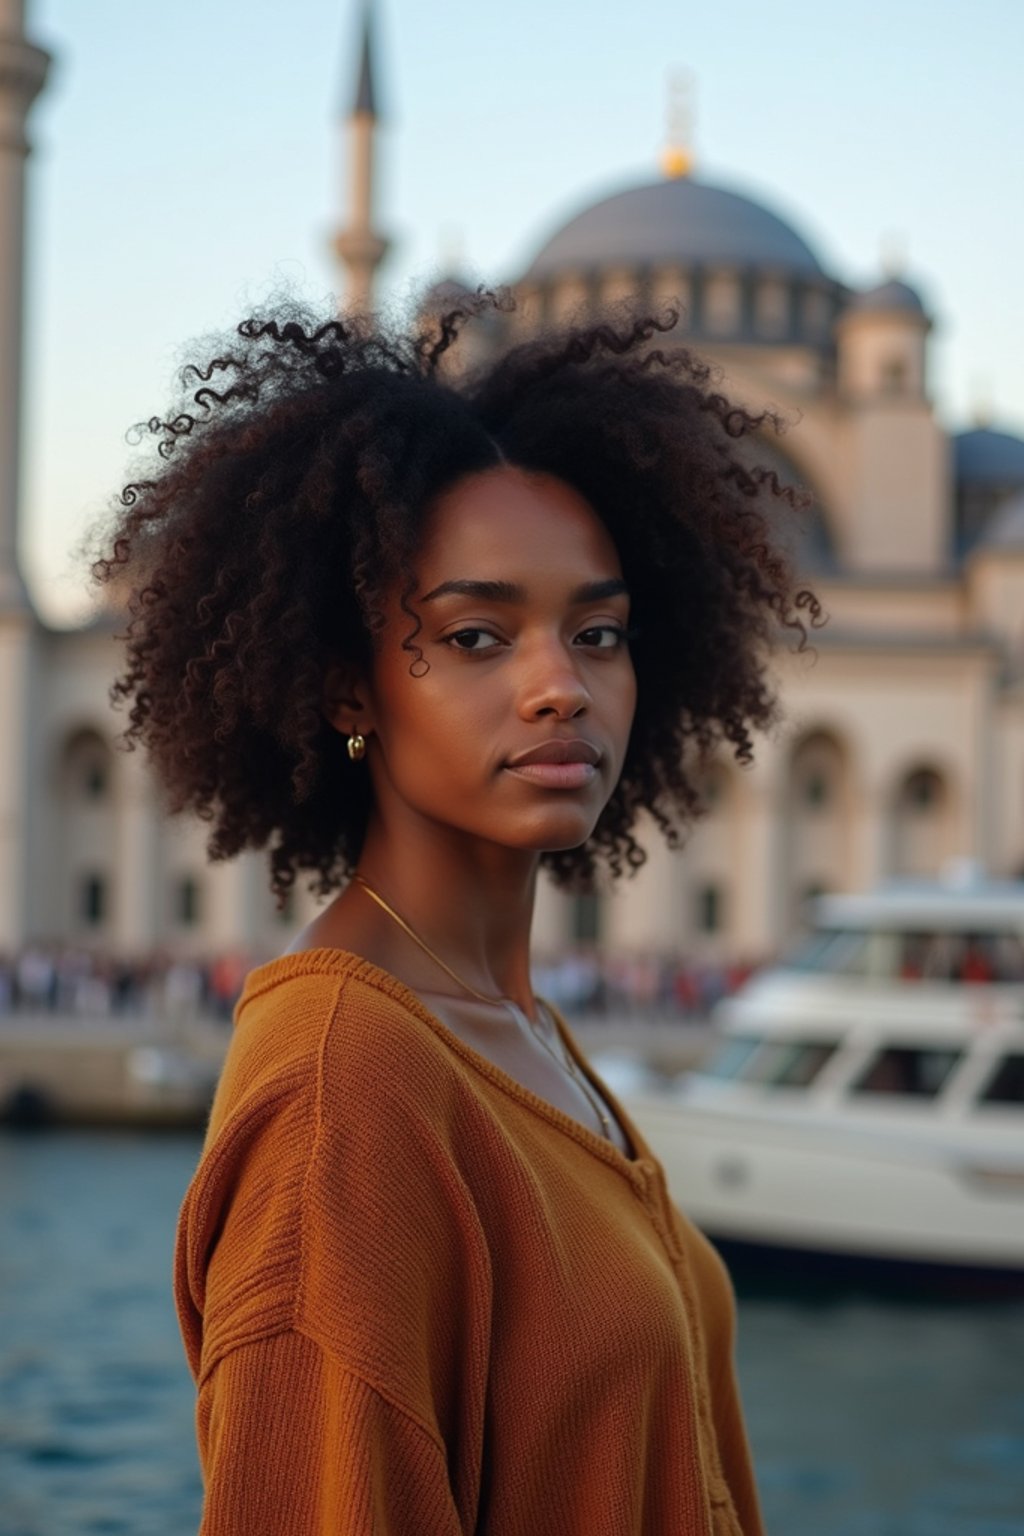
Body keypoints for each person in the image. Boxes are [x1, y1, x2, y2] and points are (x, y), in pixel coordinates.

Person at [94, 295, 820, 1534]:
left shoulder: (514, 1027)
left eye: (599, 632)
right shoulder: (346, 1092)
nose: (559, 688)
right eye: (478, 635)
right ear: (342, 684)